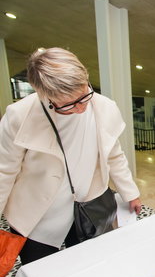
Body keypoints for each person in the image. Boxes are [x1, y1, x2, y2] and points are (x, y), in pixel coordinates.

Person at [0, 47, 141, 265]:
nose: (81, 108)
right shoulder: (19, 116)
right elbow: (4, 170)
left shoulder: (104, 107)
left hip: (89, 206)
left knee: (89, 265)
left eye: (84, 96)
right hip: (37, 214)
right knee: (41, 271)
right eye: (68, 105)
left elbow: (114, 154)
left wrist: (130, 192)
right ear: (43, 95)